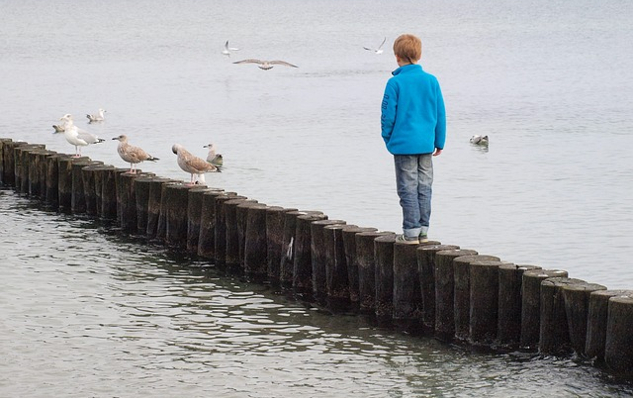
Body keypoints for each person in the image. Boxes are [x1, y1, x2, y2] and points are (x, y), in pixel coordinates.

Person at [381, 33, 446, 244]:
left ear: (397, 57)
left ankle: (410, 232)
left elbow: (387, 116)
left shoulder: (395, 83)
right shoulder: (431, 81)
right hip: (426, 144)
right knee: (424, 187)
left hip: (403, 145)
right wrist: (439, 141)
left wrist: (388, 139)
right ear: (418, 55)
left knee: (407, 188)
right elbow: (440, 113)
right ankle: (423, 231)